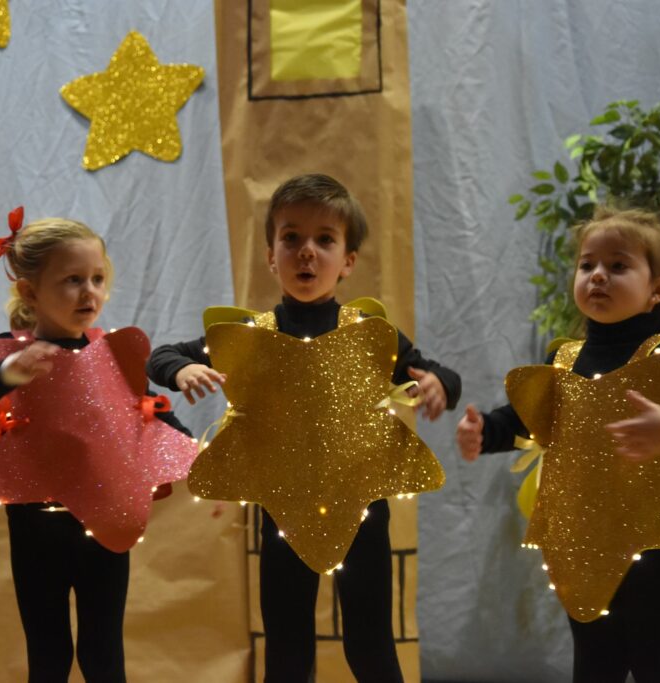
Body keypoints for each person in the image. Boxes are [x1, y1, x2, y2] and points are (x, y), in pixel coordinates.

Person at [147, 173, 461, 682]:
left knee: (371, 647)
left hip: (362, 511)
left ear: (348, 262)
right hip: (282, 514)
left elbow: (436, 371)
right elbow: (161, 355)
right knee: (289, 651)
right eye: (291, 238)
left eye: (324, 239)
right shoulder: (253, 336)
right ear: (271, 256)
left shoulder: (370, 335)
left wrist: (438, 384)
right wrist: (180, 370)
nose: (306, 252)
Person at [457, 205, 660, 683]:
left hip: (658, 541)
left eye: (618, 265)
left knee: (657, 664)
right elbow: (525, 420)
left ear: (657, 290)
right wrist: (485, 431)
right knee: (595, 664)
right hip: (581, 536)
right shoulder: (562, 361)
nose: (598, 276)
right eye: (588, 265)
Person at [0, 211, 190, 683]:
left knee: (102, 652)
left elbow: (151, 412)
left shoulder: (113, 353)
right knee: (49, 652)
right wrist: (6, 373)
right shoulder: (7, 351)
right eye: (73, 280)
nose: (89, 292)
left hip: (105, 515)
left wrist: (195, 453)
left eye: (97, 279)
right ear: (30, 292)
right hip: (35, 523)